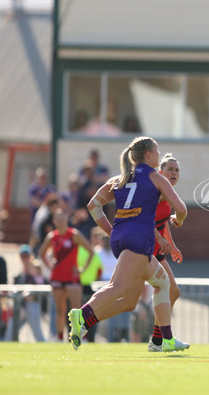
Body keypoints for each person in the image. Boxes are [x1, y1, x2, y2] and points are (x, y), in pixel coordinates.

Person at [68, 136, 188, 352]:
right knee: (119, 288)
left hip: (121, 238)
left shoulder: (120, 178)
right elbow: (182, 210)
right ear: (149, 155)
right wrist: (178, 221)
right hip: (140, 239)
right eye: (157, 151)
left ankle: (164, 340)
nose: (159, 155)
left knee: (154, 287)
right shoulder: (155, 178)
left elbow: (93, 205)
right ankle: (82, 314)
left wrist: (110, 231)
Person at [147, 153, 186, 352]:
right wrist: (160, 240)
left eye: (177, 170)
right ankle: (84, 317)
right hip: (144, 250)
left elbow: (163, 224)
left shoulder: (168, 194)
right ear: (160, 172)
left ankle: (157, 340)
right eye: (170, 169)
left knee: (173, 291)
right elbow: (144, 219)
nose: (174, 173)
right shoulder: (157, 192)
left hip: (157, 251)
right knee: (124, 297)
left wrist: (173, 246)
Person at [38, 208, 94, 341]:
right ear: (54, 221)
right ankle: (59, 338)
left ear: (66, 220)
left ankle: (81, 337)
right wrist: (50, 266)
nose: (61, 222)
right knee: (60, 310)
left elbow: (90, 251)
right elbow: (41, 253)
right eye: (58, 219)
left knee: (76, 310)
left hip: (72, 277)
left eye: (63, 219)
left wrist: (82, 269)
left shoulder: (74, 234)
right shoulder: (52, 237)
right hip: (57, 277)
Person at [4, 245, 46, 342]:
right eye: (22, 256)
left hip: (33, 306)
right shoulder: (19, 275)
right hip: (21, 307)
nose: (25, 258)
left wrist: (33, 274)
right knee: (10, 333)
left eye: (26, 255)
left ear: (30, 256)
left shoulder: (37, 270)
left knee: (38, 334)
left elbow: (43, 285)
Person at [76, 227, 104, 343]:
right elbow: (99, 272)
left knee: (82, 314)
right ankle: (88, 338)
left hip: (83, 287)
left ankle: (83, 337)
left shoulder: (81, 251)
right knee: (89, 314)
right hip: (86, 287)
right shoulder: (94, 253)